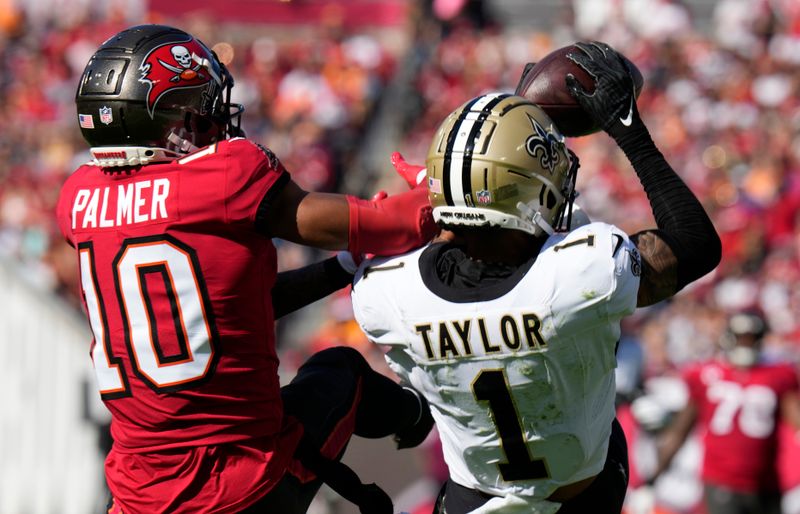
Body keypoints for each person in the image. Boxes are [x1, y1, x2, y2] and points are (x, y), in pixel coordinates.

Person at [56, 24, 437, 514]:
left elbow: (223, 305)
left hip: (138, 498)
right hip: (240, 486)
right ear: (164, 117)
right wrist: (441, 183)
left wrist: (341, 268)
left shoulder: (78, 200)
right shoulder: (226, 175)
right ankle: (419, 418)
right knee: (341, 370)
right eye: (198, 107)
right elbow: (385, 223)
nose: (211, 119)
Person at [350, 41, 721, 514]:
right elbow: (695, 244)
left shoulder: (383, 292)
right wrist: (627, 127)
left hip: (470, 498)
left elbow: (453, 255)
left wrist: (444, 193)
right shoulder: (583, 274)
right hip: (584, 497)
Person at [650, 311, 800, 514]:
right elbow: (680, 431)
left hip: (766, 484)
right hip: (722, 482)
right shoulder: (706, 376)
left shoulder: (778, 375)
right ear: (728, 338)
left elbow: (796, 421)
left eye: (751, 337)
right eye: (740, 337)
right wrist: (651, 479)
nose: (745, 343)